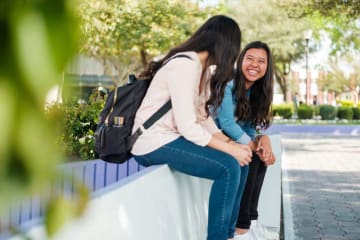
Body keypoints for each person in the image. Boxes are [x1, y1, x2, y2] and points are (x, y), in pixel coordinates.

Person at [131, 15, 253, 240]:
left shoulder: (203, 70)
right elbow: (188, 127)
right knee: (228, 168)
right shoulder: (184, 65)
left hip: (171, 138)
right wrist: (229, 150)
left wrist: (232, 144)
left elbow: (203, 117)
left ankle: (230, 234)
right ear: (226, 45)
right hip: (151, 141)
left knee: (241, 161)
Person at [215, 41, 277, 240]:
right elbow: (225, 123)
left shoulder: (256, 92)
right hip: (213, 138)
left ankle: (250, 221)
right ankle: (240, 230)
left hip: (231, 140)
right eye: (249, 58)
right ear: (240, 60)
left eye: (261, 61)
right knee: (248, 156)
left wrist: (260, 144)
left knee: (259, 159)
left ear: (267, 67)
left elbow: (249, 127)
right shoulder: (227, 83)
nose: (254, 65)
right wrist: (252, 145)